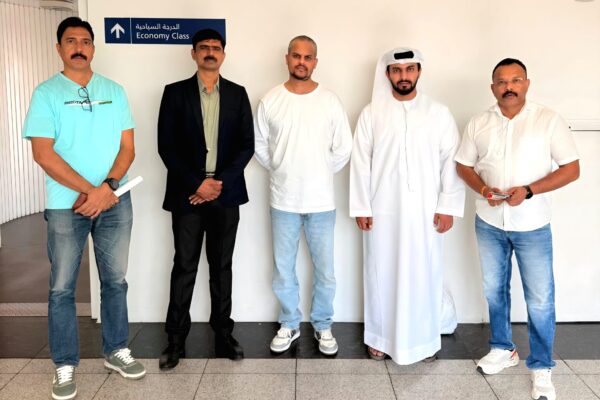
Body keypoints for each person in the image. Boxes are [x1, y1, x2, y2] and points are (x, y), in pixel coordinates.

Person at [22, 16, 146, 400]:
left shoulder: (114, 91)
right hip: (66, 206)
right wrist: (91, 192)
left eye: (86, 41)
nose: (79, 47)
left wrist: (107, 189)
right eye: (71, 41)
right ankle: (64, 365)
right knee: (62, 288)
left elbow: (128, 148)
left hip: (115, 202)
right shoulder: (46, 94)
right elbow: (43, 154)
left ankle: (117, 350)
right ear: (58, 48)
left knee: (115, 281)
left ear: (93, 47)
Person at [455, 58, 580, 400]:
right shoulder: (479, 122)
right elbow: (463, 166)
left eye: (515, 80)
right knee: (494, 290)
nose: (508, 86)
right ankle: (502, 348)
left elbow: (571, 169)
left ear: (527, 83)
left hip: (532, 225)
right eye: (502, 81)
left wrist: (529, 190)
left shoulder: (548, 120)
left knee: (540, 299)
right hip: (489, 222)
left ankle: (541, 366)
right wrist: (483, 189)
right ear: (492, 87)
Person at [349, 47, 465, 364]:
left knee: (423, 273)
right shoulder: (371, 113)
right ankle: (379, 339)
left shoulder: (438, 113)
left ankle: (423, 341)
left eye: (410, 69)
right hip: (382, 211)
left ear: (419, 72)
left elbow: (450, 162)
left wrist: (448, 206)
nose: (404, 76)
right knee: (381, 273)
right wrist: (361, 206)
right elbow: (360, 163)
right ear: (387, 73)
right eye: (397, 70)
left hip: (426, 212)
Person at [157, 28, 254, 368]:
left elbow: (246, 145)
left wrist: (217, 184)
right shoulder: (174, 93)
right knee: (184, 265)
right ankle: (175, 340)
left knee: (221, 266)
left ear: (223, 54)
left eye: (216, 47)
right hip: (188, 195)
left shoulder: (238, 94)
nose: (210, 52)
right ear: (194, 53)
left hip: (225, 195)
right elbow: (166, 146)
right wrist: (198, 184)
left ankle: (223, 334)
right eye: (204, 47)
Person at [254, 35, 352, 356]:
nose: (301, 62)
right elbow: (260, 146)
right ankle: (290, 323)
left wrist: (319, 171)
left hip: (321, 202)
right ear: (287, 58)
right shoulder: (271, 100)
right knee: (283, 269)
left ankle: (323, 325)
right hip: (283, 200)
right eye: (296, 56)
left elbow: (343, 148)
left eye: (308, 57)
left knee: (325, 271)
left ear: (315, 62)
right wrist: (282, 169)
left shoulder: (330, 101)